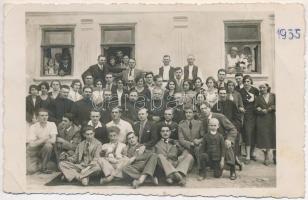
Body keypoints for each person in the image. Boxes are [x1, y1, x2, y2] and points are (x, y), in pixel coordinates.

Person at [198, 103, 238, 176]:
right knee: (200, 147)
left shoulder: (220, 117)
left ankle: (232, 170)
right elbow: (205, 134)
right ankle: (202, 169)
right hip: (211, 142)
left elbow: (233, 129)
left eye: (205, 108)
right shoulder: (203, 120)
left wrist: (229, 139)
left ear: (210, 108)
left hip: (222, 141)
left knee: (227, 145)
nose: (204, 110)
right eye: (201, 109)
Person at [26, 109, 58, 174]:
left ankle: (44, 167)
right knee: (31, 170)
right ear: (38, 117)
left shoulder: (52, 124)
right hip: (34, 151)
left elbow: (53, 140)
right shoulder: (33, 127)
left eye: (46, 115)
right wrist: (45, 138)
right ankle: (42, 163)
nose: (44, 117)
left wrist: (38, 141)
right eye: (42, 115)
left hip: (45, 150)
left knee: (48, 146)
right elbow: (32, 145)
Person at [239, 75, 259, 164]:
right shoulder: (240, 91)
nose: (246, 83)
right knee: (247, 133)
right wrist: (240, 108)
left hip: (255, 114)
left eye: (248, 81)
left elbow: (259, 102)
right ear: (243, 83)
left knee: (255, 132)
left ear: (251, 82)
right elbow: (238, 103)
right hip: (246, 115)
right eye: (245, 82)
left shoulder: (255, 91)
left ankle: (253, 153)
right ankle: (247, 155)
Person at [255, 83, 276, 165]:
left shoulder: (273, 95)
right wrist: (259, 109)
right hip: (262, 119)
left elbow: (276, 105)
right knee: (265, 137)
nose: (262, 89)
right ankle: (266, 157)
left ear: (267, 87)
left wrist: (270, 109)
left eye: (263, 87)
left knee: (273, 136)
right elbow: (255, 108)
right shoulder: (258, 98)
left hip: (271, 118)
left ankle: (275, 156)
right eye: (260, 88)